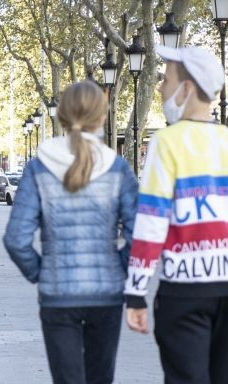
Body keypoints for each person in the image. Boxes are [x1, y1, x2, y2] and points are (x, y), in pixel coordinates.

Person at [3, 80, 138, 384]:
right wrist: (118, 266)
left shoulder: (39, 167)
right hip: (106, 294)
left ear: (61, 116)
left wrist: (42, 271)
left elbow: (16, 238)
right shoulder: (117, 168)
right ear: (102, 118)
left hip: (58, 295)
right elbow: (138, 233)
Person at [124, 46, 228, 384]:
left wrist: (136, 293)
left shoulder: (166, 142)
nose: (160, 88)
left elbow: (151, 222)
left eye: (166, 80)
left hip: (185, 292)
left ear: (187, 88)